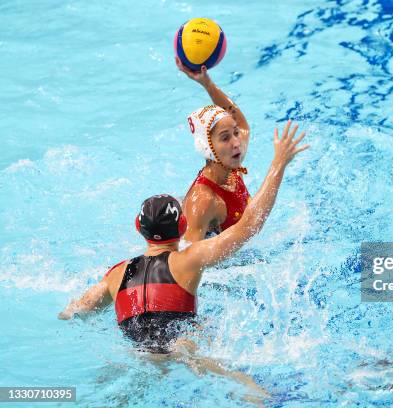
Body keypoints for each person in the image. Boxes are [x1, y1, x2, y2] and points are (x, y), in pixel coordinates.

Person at [58, 121, 307, 397]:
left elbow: (77, 310)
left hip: (135, 354)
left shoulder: (117, 273)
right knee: (253, 392)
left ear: (138, 228)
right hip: (181, 350)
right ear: (182, 227)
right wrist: (279, 163)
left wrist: (66, 312)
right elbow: (249, 226)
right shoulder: (188, 259)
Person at [176, 57, 254, 242]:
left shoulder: (231, 166)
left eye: (235, 133)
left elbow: (243, 125)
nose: (237, 142)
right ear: (207, 147)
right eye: (225, 137)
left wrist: (207, 84)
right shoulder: (203, 201)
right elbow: (188, 260)